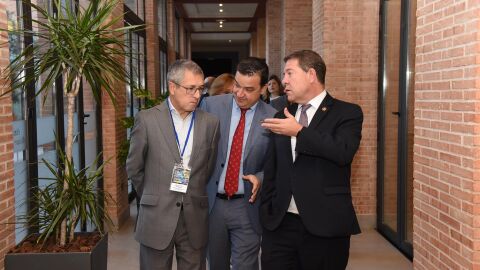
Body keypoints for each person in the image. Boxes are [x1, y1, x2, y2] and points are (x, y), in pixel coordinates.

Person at [260, 50, 363, 270]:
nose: (284, 80)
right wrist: (266, 209)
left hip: (324, 225)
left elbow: (342, 151)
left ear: (311, 74)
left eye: (290, 73)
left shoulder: (347, 113)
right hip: (280, 224)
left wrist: (299, 131)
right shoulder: (282, 115)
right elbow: (273, 168)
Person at [127, 59, 220, 270]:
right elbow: (135, 167)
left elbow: (207, 168)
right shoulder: (147, 120)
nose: (197, 95)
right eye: (190, 89)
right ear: (172, 87)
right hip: (156, 216)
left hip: (194, 216)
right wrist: (153, 195)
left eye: (200, 89)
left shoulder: (210, 123)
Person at [200, 57, 276, 270]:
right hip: (213, 204)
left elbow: (277, 164)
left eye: (249, 89)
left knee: (246, 265)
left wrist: (260, 178)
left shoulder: (273, 118)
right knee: (216, 264)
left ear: (262, 89)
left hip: (248, 207)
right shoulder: (211, 106)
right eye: (237, 85)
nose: (240, 94)